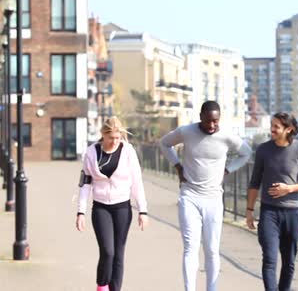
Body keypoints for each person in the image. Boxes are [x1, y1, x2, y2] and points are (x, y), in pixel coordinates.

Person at [160, 100, 252, 291]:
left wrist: (228, 169)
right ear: (200, 117)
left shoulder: (226, 136)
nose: (212, 125)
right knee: (190, 248)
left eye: (216, 121)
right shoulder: (186, 132)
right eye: (208, 120)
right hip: (189, 196)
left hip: (213, 200)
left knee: (211, 250)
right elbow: (164, 143)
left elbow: (246, 153)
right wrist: (177, 166)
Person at [246, 112, 298, 291]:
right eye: (271, 125)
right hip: (268, 213)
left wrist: (290, 188)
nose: (272, 129)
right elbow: (255, 181)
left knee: (289, 263)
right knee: (270, 260)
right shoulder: (263, 150)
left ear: (289, 129)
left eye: (276, 126)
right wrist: (249, 210)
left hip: (292, 214)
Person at [76, 117, 149, 291]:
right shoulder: (91, 153)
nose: (115, 141)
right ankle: (102, 286)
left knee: (118, 254)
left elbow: (137, 182)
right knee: (107, 251)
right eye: (111, 138)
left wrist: (143, 211)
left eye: (118, 137)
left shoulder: (128, 151)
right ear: (103, 135)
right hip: (101, 207)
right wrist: (81, 212)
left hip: (122, 207)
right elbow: (85, 184)